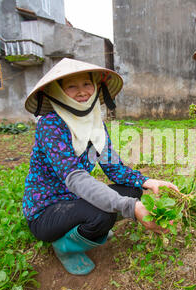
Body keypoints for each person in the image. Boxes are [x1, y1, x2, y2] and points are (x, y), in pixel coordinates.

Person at [22, 58, 178, 276]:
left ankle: (85, 228)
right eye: (71, 86)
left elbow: (114, 168)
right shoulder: (50, 124)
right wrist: (131, 208)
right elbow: (75, 178)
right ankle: (66, 248)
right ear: (58, 91)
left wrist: (148, 182)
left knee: (133, 190)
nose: (82, 92)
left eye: (87, 84)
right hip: (48, 209)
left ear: (96, 87)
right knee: (103, 214)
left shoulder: (95, 124)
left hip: (76, 200)